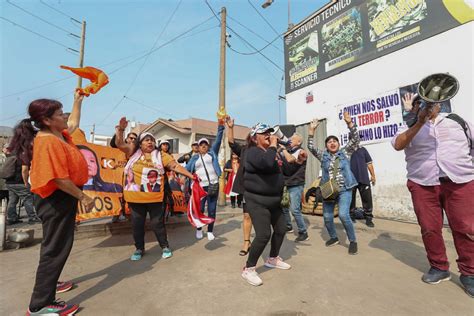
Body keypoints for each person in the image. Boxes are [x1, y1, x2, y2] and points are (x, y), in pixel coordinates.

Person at [391, 94, 474, 298]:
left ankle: (469, 274)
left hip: (460, 181)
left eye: (430, 103)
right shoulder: (408, 126)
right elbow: (398, 144)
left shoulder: (457, 121)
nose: (426, 107)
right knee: (429, 229)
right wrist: (419, 122)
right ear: (415, 107)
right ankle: (439, 267)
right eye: (420, 103)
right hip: (423, 184)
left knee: (466, 229)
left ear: (439, 105)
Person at [23, 92, 95, 315]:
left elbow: (73, 122)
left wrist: (77, 101)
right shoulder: (47, 141)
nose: (64, 116)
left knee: (56, 246)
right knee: (55, 249)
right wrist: (83, 197)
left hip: (61, 198)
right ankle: (40, 304)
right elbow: (58, 178)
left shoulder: (59, 134)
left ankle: (50, 284)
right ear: (46, 120)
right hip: (56, 199)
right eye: (59, 113)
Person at [115, 117, 193, 261]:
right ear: (140, 143)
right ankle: (139, 248)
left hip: (156, 199)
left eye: (152, 140)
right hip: (135, 199)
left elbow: (175, 166)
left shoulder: (160, 155)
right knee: (137, 225)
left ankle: (164, 246)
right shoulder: (132, 153)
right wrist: (120, 130)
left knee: (157, 224)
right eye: (146, 139)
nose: (150, 142)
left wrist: (191, 176)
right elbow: (119, 144)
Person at [241, 123, 290, 286]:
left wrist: (297, 161)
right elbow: (267, 163)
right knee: (263, 235)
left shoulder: (271, 153)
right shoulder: (252, 152)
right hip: (257, 201)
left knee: (281, 229)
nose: (269, 135)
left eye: (270, 132)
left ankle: (273, 258)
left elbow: (283, 170)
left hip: (274, 200)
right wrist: (274, 146)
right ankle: (248, 269)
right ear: (255, 138)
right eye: (264, 133)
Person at [307, 112, 360, 255]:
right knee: (327, 217)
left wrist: (350, 124)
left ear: (338, 144)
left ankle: (353, 241)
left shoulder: (345, 153)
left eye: (334, 141)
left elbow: (355, 139)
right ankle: (334, 237)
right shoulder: (323, 155)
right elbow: (311, 147)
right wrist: (311, 131)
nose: (332, 142)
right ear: (326, 146)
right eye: (329, 141)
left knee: (343, 215)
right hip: (329, 190)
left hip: (344, 189)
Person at [186, 119, 224, 241]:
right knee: (200, 209)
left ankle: (210, 231)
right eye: (201, 144)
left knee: (212, 209)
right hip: (200, 187)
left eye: (205, 144)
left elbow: (218, 139)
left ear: (208, 146)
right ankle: (199, 229)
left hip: (213, 185)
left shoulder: (212, 153)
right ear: (198, 147)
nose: (203, 146)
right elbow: (186, 170)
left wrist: (221, 126)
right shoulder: (194, 158)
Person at [226, 117, 252, 256]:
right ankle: (246, 242)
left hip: (263, 190)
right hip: (248, 188)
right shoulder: (244, 150)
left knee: (262, 219)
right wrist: (230, 127)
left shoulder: (267, 151)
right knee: (247, 215)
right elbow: (231, 143)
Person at [280, 133, 310, 242]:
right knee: (283, 206)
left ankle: (303, 232)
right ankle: (288, 226)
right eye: (290, 138)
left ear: (299, 142)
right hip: (286, 182)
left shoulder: (301, 152)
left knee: (295, 210)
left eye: (293, 139)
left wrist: (283, 150)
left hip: (296, 183)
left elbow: (290, 160)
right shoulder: (289, 150)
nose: (290, 140)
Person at [3, 142, 40, 224]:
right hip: (19, 182)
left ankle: (11, 218)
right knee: (28, 199)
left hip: (9, 183)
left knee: (12, 200)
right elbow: (24, 170)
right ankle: (32, 217)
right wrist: (26, 182)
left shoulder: (11, 156)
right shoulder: (23, 157)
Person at [349, 146, 376, 227]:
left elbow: (369, 163)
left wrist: (373, 175)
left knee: (367, 199)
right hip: (350, 180)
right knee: (350, 200)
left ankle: (368, 218)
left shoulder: (363, 150)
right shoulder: (347, 150)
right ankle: (351, 217)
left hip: (363, 178)